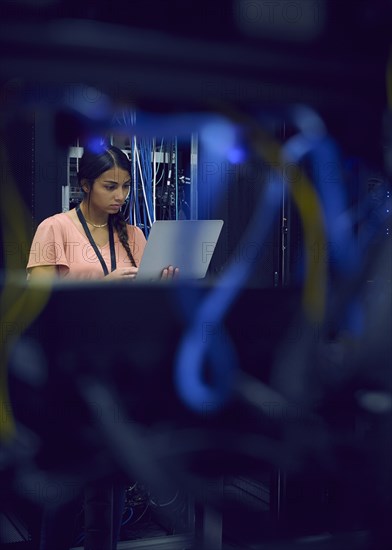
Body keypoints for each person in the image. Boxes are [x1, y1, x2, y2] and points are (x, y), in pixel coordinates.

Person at [26, 144, 178, 549]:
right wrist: (101, 288)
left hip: (120, 374)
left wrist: (161, 289)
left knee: (108, 494)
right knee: (65, 491)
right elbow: (37, 305)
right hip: (69, 375)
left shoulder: (134, 235)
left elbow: (144, 310)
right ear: (85, 185)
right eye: (111, 186)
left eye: (127, 187)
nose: (121, 196)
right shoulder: (54, 228)